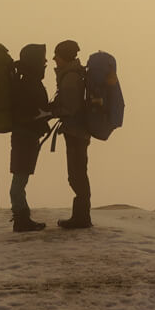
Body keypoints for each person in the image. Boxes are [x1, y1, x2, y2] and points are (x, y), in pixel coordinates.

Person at [8, 43, 52, 232]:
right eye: (42, 59)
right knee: (20, 179)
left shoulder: (24, 81)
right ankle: (21, 219)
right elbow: (31, 111)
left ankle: (22, 218)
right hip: (25, 136)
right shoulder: (29, 84)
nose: (45, 63)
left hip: (23, 135)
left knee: (20, 176)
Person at [51, 39, 92, 229]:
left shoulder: (70, 78)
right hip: (78, 131)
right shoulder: (73, 75)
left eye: (56, 55)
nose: (53, 59)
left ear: (64, 57)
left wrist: (52, 111)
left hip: (75, 131)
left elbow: (70, 107)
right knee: (78, 173)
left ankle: (81, 218)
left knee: (76, 174)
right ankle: (81, 216)